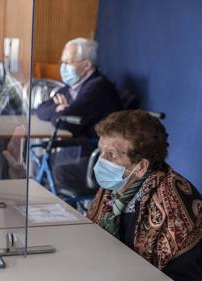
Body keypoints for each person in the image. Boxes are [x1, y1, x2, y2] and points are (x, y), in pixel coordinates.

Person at [87, 110, 202, 281]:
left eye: (111, 155)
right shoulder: (117, 185)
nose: (101, 161)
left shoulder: (175, 205)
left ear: (141, 167)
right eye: (100, 152)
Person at [35, 37, 122, 192]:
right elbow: (40, 109)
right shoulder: (73, 87)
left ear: (87, 64)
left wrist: (63, 112)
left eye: (67, 62)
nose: (62, 67)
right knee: (38, 163)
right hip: (75, 149)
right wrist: (58, 109)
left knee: (53, 172)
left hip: (95, 156)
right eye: (62, 62)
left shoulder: (97, 88)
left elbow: (65, 123)